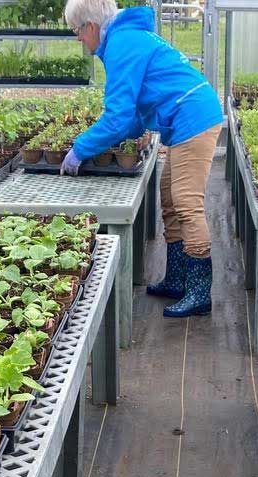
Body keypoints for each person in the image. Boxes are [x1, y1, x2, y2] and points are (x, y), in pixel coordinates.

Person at [63, 0, 224, 318]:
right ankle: (178, 280)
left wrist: (80, 149)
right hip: (183, 120)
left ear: (91, 27)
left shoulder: (123, 43)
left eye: (77, 31)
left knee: (187, 203)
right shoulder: (124, 38)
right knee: (170, 199)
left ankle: (199, 292)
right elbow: (134, 114)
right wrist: (115, 134)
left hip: (194, 119)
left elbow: (120, 117)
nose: (78, 38)